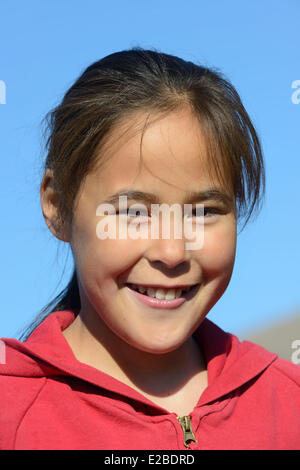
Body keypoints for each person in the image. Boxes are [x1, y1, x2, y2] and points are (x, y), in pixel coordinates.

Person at [0, 48, 299, 450]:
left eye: (204, 211)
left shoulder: (286, 402)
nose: (173, 251)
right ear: (58, 206)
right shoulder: (11, 412)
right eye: (132, 211)